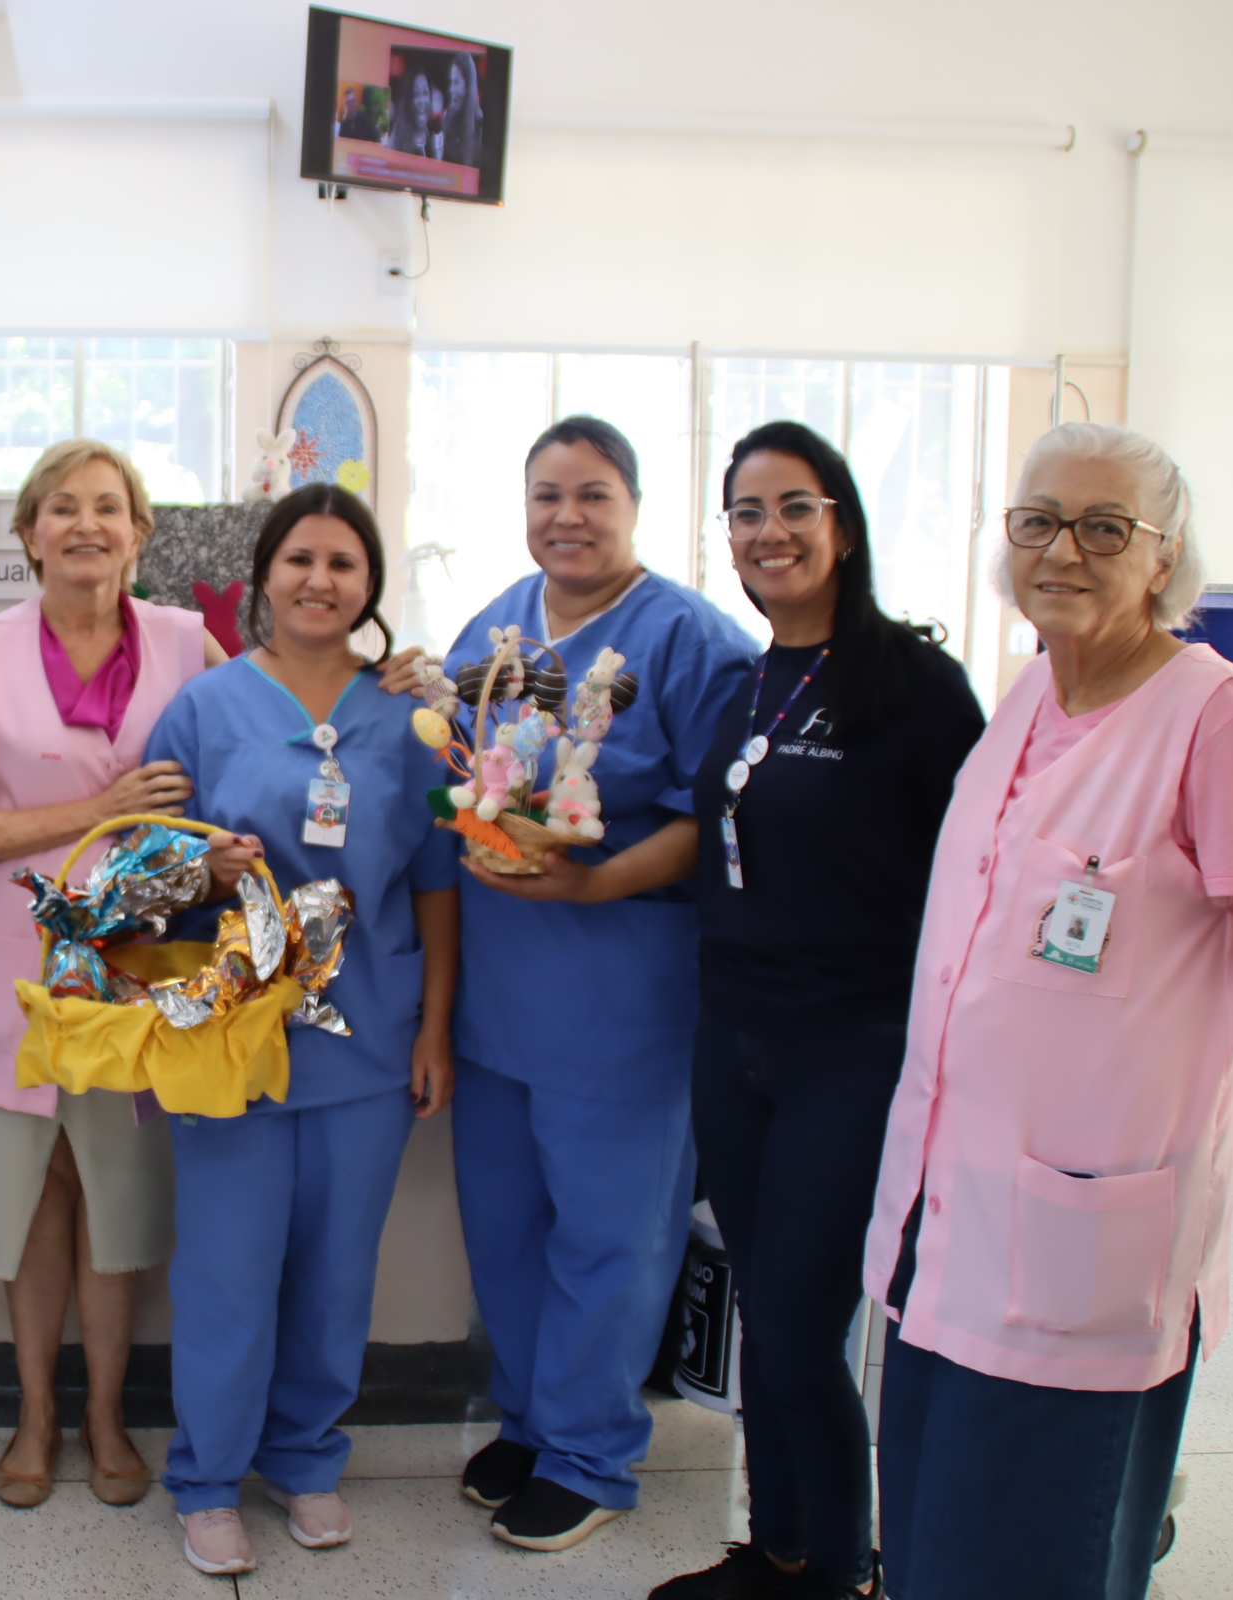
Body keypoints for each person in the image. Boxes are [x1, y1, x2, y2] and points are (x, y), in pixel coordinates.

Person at [863, 423, 1233, 1600]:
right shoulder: (1031, 692)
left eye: (1106, 528)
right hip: (948, 1215)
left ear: (1163, 558)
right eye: (1038, 520)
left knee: (1032, 1560)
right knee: (933, 1548)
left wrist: (1158, 1025)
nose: (1064, 549)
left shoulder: (1221, 720)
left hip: (1081, 1240)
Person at [389, 415, 755, 1550]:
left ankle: (594, 1452)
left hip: (624, 995)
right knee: (505, 1228)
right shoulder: (497, 625)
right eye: (547, 494)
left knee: (611, 1232)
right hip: (502, 995)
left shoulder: (696, 644)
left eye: (592, 494)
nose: (568, 516)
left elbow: (721, 818)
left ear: (635, 505)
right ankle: (534, 1420)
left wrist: (596, 887)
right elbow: (456, 773)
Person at [648, 423, 984, 1600]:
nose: (769, 532)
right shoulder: (752, 680)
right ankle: (777, 1547)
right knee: (765, 1319)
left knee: (798, 1330)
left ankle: (835, 1570)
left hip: (852, 1050)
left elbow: (981, 873)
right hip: (731, 1039)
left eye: (795, 506)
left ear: (841, 522)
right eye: (746, 512)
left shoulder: (916, 686)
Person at [146, 484, 460, 1576]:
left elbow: (434, 882)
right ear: (263, 576)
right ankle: (206, 1475)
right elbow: (150, 869)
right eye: (300, 560)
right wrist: (205, 865)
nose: (320, 580)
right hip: (230, 1037)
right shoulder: (205, 706)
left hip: (366, 1037)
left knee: (336, 1270)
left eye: (343, 562)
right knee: (229, 1268)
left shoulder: (406, 716)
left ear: (369, 584)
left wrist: (433, 1030)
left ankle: (307, 1458)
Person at [0, 440, 224, 1509]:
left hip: (142, 978)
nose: (86, 524)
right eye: (63, 507)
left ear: (141, 532)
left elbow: (252, 765)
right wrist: (97, 813)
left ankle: (105, 1415)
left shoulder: (193, 644)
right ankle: (36, 1414)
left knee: (118, 1202)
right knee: (35, 1198)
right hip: (10, 978)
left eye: (109, 507)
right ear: (29, 534)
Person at [441, 52, 484, 169]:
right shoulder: (448, 118)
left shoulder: (480, 125)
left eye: (456, 83)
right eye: (451, 82)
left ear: (468, 85)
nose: (451, 90)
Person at [386, 70, 434, 157]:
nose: (422, 101)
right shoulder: (397, 139)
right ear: (408, 101)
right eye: (416, 94)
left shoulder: (434, 138)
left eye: (425, 93)